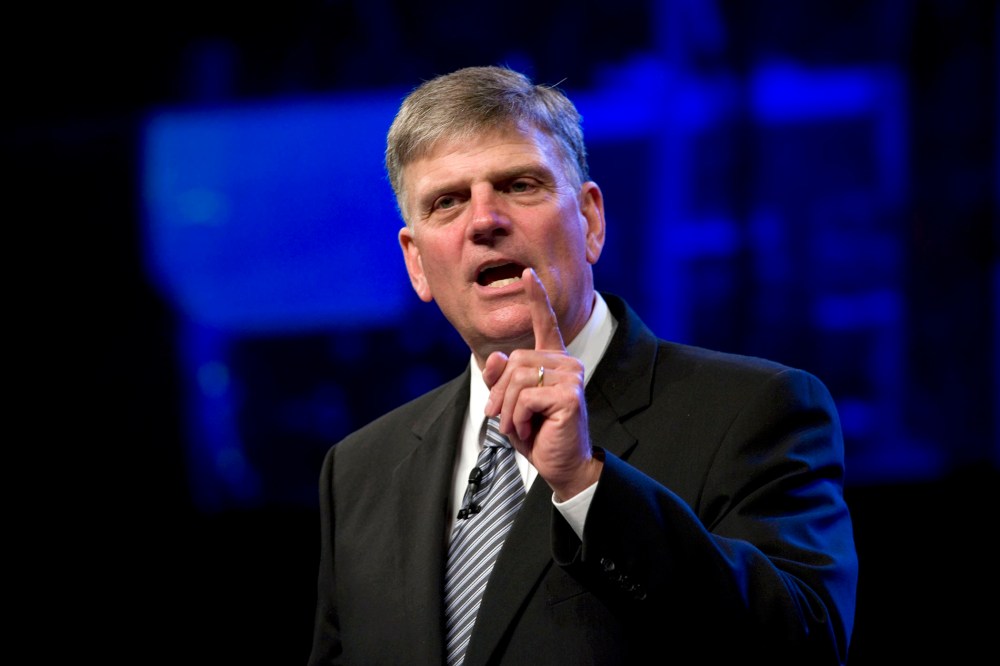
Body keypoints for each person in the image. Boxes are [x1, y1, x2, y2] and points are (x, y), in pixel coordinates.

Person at [307, 65, 858, 666]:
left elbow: (805, 647)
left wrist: (585, 484)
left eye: (519, 185)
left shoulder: (757, 410)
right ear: (416, 263)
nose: (485, 220)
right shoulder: (360, 470)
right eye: (447, 201)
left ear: (590, 221)